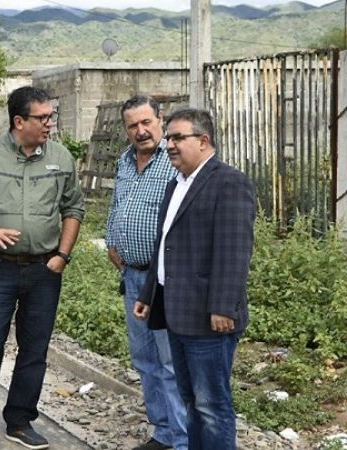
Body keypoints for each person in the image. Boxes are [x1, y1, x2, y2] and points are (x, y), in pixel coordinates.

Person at [0, 86, 85, 450]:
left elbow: (74, 208)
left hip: (44, 270)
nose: (49, 123)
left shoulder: (60, 157)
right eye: (42, 117)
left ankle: (20, 422)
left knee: (34, 349)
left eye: (50, 116)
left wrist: (62, 256)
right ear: (19, 121)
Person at [133, 108, 255, 450]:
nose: (170, 145)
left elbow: (234, 251)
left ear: (203, 141)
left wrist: (223, 307)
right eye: (168, 138)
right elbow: (165, 245)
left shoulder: (228, 183)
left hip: (208, 318)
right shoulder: (177, 184)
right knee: (191, 401)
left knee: (211, 406)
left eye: (178, 138)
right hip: (178, 313)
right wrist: (148, 293)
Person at [105, 95, 187, 450]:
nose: (140, 131)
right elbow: (117, 205)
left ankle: (182, 441)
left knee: (170, 361)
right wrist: (112, 239)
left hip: (165, 280)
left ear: (160, 120)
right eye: (133, 126)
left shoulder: (175, 161)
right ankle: (163, 433)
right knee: (145, 358)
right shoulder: (124, 162)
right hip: (133, 277)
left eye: (146, 123)